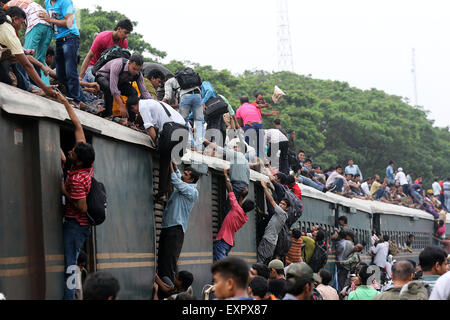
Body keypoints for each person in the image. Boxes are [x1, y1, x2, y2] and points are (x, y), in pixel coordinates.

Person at [56, 92, 95, 300]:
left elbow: (82, 208)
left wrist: (65, 192)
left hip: (75, 225)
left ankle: (69, 297)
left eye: (72, 153)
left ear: (79, 162)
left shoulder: (79, 180)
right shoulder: (85, 165)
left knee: (70, 265)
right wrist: (64, 102)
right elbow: (78, 127)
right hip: (75, 224)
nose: (70, 152)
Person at [126, 98, 188, 202]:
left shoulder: (143, 106)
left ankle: (162, 193)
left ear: (133, 107)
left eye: (135, 112)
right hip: (184, 131)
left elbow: (149, 127)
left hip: (172, 130)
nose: (137, 114)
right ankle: (166, 192)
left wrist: (156, 143)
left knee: (164, 158)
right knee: (169, 158)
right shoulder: (155, 102)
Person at [156, 161, 200, 283]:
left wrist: (170, 165)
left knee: (168, 262)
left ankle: (167, 289)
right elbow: (179, 179)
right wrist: (175, 168)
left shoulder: (192, 192)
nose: (183, 175)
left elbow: (176, 182)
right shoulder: (185, 185)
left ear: (191, 180)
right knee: (162, 260)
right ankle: (161, 288)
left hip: (175, 229)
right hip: (168, 227)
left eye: (185, 174)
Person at [0, 6, 56, 96]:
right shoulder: (8, 31)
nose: (21, 27)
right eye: (21, 23)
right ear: (15, 19)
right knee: (19, 62)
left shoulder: (4, 20)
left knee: (21, 58)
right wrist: (45, 88)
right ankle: (28, 88)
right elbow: (27, 65)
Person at [39, 0, 82, 104]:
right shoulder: (47, 2)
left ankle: (75, 100)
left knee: (70, 71)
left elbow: (69, 22)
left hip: (70, 37)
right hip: (59, 39)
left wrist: (50, 19)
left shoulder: (65, 2)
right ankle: (68, 96)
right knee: (60, 73)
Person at [214, 169, 254, 261]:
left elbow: (230, 190)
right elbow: (240, 205)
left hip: (223, 240)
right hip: (229, 242)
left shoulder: (236, 208)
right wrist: (242, 195)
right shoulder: (244, 218)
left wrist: (225, 175)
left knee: (222, 265)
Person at [95, 53, 152, 119]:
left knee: (134, 93)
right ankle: (108, 114)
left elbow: (144, 92)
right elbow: (113, 88)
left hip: (119, 83)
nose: (136, 72)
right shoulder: (118, 64)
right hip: (103, 78)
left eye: (138, 70)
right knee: (108, 88)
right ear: (129, 63)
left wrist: (153, 103)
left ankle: (131, 120)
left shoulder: (138, 74)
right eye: (134, 69)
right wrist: (121, 106)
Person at [163, 70, 203, 152]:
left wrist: (159, 104)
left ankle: (190, 144)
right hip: (197, 95)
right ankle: (199, 147)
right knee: (199, 122)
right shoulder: (190, 79)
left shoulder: (168, 82)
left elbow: (168, 97)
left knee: (183, 121)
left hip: (185, 96)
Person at [257, 180, 289, 265]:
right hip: (270, 241)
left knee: (261, 260)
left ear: (287, 208)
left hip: (268, 240)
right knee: (265, 261)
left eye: (284, 204)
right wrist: (271, 188)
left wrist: (264, 187)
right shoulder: (280, 214)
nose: (281, 205)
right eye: (281, 203)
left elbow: (271, 201)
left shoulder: (282, 213)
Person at [236, 95, 278, 161]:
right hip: (259, 124)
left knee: (248, 146)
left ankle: (249, 161)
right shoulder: (253, 106)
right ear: (249, 101)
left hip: (249, 124)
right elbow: (259, 116)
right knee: (260, 146)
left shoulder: (239, 109)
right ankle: (260, 163)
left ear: (240, 102)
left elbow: (240, 123)